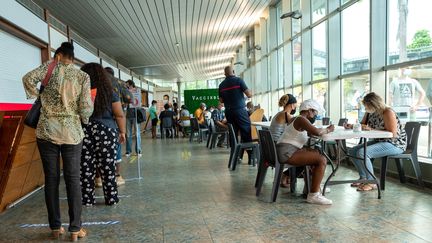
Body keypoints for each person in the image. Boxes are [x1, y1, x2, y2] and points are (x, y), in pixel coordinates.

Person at [22, 42, 92, 240]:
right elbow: (86, 108)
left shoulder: (48, 68)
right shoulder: (82, 76)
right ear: (72, 57)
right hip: (72, 133)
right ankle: (75, 229)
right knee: (73, 179)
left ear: (59, 55)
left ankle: (55, 227)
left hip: (46, 131)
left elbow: (27, 79)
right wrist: (81, 118)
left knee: (51, 179)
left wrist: (40, 99)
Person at [80, 63, 126, 206]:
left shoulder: (80, 91)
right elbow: (119, 115)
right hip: (107, 130)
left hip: (85, 131)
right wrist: (122, 132)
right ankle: (111, 198)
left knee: (86, 167)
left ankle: (87, 199)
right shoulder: (109, 92)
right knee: (108, 167)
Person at [276, 99, 335, 205]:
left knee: (315, 153)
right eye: (315, 113)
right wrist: (328, 129)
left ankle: (312, 187)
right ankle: (313, 195)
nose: (315, 116)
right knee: (321, 160)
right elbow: (316, 132)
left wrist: (315, 132)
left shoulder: (296, 119)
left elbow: (308, 133)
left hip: (285, 151)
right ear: (309, 111)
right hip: (287, 153)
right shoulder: (301, 119)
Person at [345, 92, 407, 191]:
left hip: (395, 144)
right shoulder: (370, 112)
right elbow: (362, 125)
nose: (365, 108)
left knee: (362, 153)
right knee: (352, 151)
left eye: (367, 106)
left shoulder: (387, 112)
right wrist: (352, 126)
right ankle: (363, 178)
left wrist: (371, 129)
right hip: (380, 141)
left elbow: (393, 134)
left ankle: (371, 182)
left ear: (374, 104)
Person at [100, 67, 131, 186]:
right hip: (114, 120)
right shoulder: (119, 83)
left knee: (99, 150)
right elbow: (129, 98)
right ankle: (117, 176)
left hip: (97, 120)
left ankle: (98, 178)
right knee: (116, 147)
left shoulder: (98, 81)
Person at [219, 66, 253, 161]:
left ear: (225, 74)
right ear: (233, 71)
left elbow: (221, 100)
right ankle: (250, 157)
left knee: (233, 133)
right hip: (240, 111)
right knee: (246, 131)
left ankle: (235, 156)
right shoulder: (239, 81)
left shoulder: (221, 85)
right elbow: (249, 94)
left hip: (229, 112)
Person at [269, 94, 298, 188]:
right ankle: (286, 176)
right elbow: (296, 128)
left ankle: (285, 176)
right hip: (277, 151)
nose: (296, 107)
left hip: (271, 150)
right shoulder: (286, 115)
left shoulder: (279, 114)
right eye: (296, 104)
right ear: (292, 105)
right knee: (306, 155)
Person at [125, 80, 142, 157]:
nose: (126, 86)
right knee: (128, 134)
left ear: (131, 84)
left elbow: (139, 103)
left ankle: (138, 151)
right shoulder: (126, 92)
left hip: (135, 115)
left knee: (137, 134)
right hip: (128, 115)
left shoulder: (137, 91)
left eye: (127, 85)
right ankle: (128, 151)